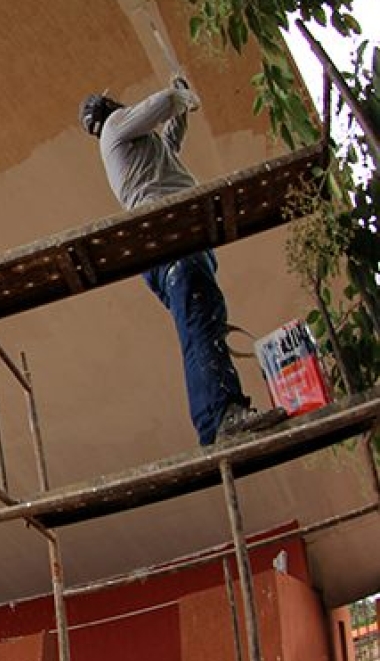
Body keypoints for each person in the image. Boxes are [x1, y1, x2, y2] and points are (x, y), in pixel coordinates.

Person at [79, 78, 282, 446]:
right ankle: (220, 417)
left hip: (173, 242)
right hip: (169, 238)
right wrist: (178, 96)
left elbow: (167, 146)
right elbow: (159, 105)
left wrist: (180, 115)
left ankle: (221, 415)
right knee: (199, 326)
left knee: (203, 321)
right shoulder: (115, 126)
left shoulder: (133, 150)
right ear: (110, 110)